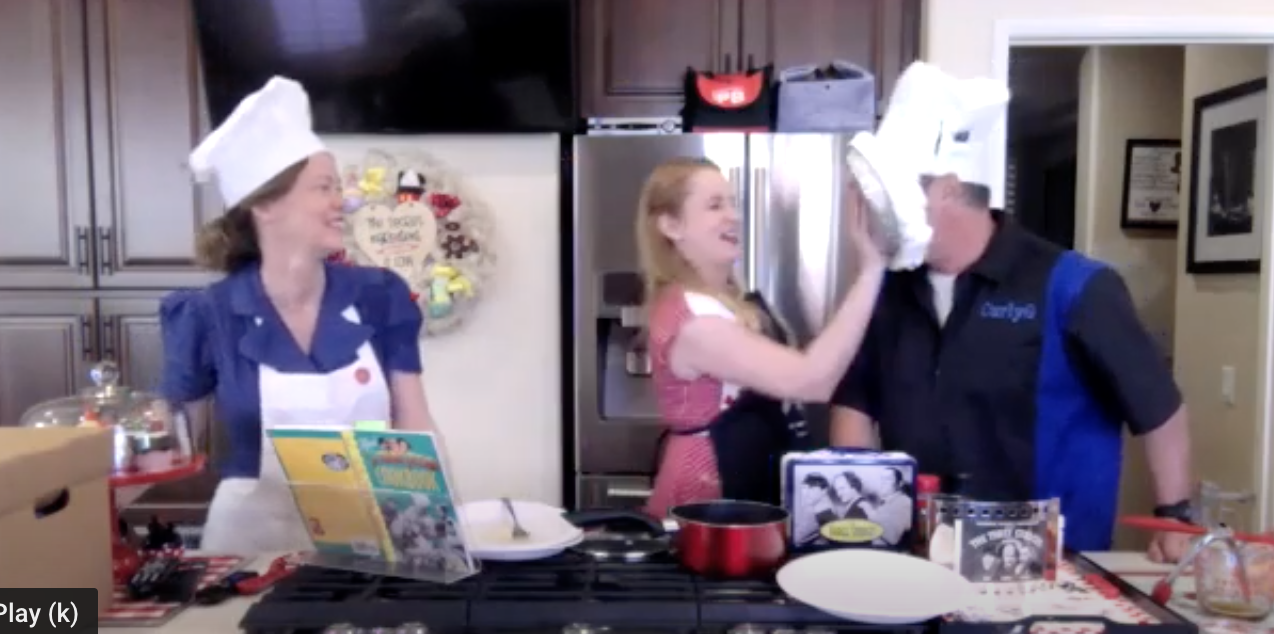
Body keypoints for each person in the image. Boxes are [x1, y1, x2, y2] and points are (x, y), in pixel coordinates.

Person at [829, 64, 1194, 562]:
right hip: (916, 560)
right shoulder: (887, 291)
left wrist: (1175, 516)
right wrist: (858, 525)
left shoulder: (1076, 287)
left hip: (1050, 566)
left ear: (948, 189)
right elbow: (855, 404)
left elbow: (1159, 409)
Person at [159, 77, 436, 555]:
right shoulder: (209, 314)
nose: (342, 201)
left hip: (372, 541)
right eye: (324, 187)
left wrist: (432, 530)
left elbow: (414, 424)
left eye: (338, 187)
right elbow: (167, 439)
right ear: (266, 204)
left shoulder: (380, 295)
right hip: (248, 549)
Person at [637, 156, 884, 518]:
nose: (733, 216)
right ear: (671, 225)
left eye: (733, 203)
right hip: (706, 495)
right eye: (714, 205)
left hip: (741, 485)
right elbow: (811, 380)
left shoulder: (718, 302)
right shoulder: (696, 321)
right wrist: (871, 270)